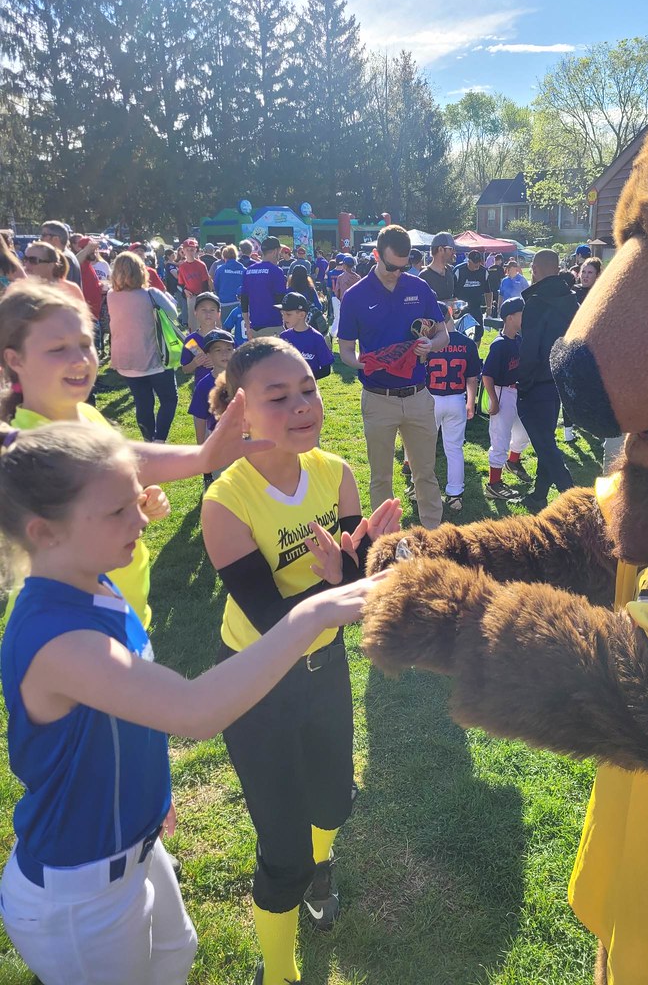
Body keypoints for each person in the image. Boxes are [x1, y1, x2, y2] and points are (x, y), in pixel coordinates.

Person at [0, 418, 386, 985]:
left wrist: (152, 790)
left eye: (133, 499)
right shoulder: (57, 637)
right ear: (45, 532)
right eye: (118, 511)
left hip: (135, 847)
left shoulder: (92, 585)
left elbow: (123, 714)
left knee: (177, 955)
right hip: (80, 890)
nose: (142, 519)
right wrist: (316, 612)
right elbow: (194, 710)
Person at [201, 337, 401, 985]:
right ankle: (281, 971)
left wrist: (376, 558)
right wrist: (338, 582)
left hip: (325, 668)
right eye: (279, 396)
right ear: (240, 412)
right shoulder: (225, 501)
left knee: (335, 803)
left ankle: (323, 870)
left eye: (308, 390)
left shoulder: (335, 472)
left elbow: (355, 577)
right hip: (256, 684)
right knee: (282, 853)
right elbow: (270, 621)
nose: (302, 406)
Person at [0, 280, 281, 628]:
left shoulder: (83, 414)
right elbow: (91, 461)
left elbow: (113, 466)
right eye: (58, 348)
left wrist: (134, 502)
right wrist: (203, 457)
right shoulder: (24, 438)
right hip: (70, 629)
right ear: (15, 360)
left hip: (123, 614)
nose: (79, 359)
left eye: (85, 344)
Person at [338, 224, 448, 529]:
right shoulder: (355, 296)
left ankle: (433, 536)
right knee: (381, 477)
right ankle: (385, 540)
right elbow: (345, 349)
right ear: (376, 255)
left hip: (417, 395)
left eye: (403, 267)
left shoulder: (419, 288)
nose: (396, 273)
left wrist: (430, 345)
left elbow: (443, 335)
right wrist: (362, 364)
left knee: (425, 473)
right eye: (391, 267)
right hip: (378, 398)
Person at [515, 249, 579, 511]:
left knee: (545, 445)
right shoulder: (572, 300)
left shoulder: (536, 303)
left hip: (537, 382)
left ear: (536, 270)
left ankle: (573, 501)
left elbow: (530, 348)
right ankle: (539, 495)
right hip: (560, 380)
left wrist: (522, 383)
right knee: (546, 440)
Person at [107, 251, 179, 443]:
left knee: (143, 402)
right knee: (169, 399)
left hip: (125, 360)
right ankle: (159, 440)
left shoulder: (111, 296)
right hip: (153, 357)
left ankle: (148, 440)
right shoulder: (151, 294)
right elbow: (174, 314)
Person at [425, 301, 481, 512]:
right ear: (450, 313)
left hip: (431, 398)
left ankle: (418, 488)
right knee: (454, 449)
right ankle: (455, 494)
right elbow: (472, 378)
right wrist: (470, 402)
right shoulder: (467, 343)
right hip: (457, 398)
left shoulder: (429, 343)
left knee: (424, 446)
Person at [482, 297, 532, 500]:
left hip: (516, 392)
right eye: (522, 313)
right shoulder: (499, 345)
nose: (525, 317)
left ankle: (513, 461)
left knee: (524, 433)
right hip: (502, 393)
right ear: (510, 318)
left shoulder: (518, 339)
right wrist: (494, 400)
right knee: (500, 439)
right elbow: (487, 375)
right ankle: (493, 484)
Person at [188, 328, 235, 453]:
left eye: (228, 349)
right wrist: (201, 449)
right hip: (218, 442)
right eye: (218, 350)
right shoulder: (204, 385)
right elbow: (199, 418)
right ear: (208, 355)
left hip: (245, 440)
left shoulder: (245, 379)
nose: (224, 354)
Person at [277, 292, 334, 380]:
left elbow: (326, 370)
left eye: (288, 314)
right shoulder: (284, 336)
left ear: (302, 315)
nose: (284, 318)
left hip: (308, 387)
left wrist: (304, 379)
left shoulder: (316, 337)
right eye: (282, 314)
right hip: (288, 387)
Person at [239, 235, 286, 339]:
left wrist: (248, 327)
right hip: (273, 326)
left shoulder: (248, 270)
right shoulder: (276, 271)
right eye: (280, 251)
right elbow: (281, 300)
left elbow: (244, 300)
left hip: (254, 327)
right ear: (275, 251)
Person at [180, 292, 221, 385]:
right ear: (196, 313)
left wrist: (218, 361)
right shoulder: (191, 340)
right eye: (203, 310)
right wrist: (194, 363)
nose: (208, 314)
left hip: (224, 387)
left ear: (218, 314)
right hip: (202, 387)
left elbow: (237, 363)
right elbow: (185, 369)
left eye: (212, 310)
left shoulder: (226, 338)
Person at [453, 249, 492, 347]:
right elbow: (452, 292)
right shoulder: (459, 270)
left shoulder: (483, 272)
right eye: (475, 263)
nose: (477, 265)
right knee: (460, 334)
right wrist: (454, 309)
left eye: (478, 263)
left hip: (476, 308)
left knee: (478, 333)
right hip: (461, 309)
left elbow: (488, 291)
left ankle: (475, 352)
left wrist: (489, 307)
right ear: (469, 261)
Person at [177, 238, 211, 332]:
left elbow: (205, 283)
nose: (190, 252)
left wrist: (204, 297)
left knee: (202, 319)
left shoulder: (201, 265)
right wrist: (184, 290)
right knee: (192, 321)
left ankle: (204, 337)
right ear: (183, 251)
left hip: (201, 296)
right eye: (187, 250)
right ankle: (193, 339)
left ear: (195, 250)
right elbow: (180, 284)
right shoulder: (182, 266)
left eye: (192, 250)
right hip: (191, 296)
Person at [40, 220, 81, 287]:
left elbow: (62, 287)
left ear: (56, 239)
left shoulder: (64, 258)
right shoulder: (68, 254)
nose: (41, 238)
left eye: (44, 235)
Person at [419, 231, 456, 302]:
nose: (454, 252)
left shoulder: (450, 270)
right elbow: (422, 303)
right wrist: (447, 303)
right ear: (440, 249)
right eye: (451, 249)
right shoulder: (424, 276)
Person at [213, 244, 246, 320]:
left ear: (224, 256)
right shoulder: (244, 270)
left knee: (225, 325)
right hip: (239, 303)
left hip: (224, 303)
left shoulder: (220, 270)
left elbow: (216, 285)